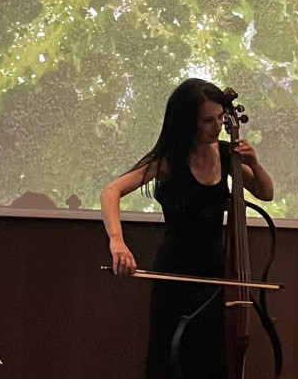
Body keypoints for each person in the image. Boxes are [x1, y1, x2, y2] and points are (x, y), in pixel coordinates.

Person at [99, 77, 274, 379]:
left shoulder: (227, 155)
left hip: (216, 277)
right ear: (187, 122)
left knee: (210, 366)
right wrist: (117, 240)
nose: (217, 126)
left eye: (220, 117)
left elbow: (265, 193)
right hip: (174, 277)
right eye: (207, 120)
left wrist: (255, 164)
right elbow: (111, 191)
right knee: (170, 365)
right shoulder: (169, 161)